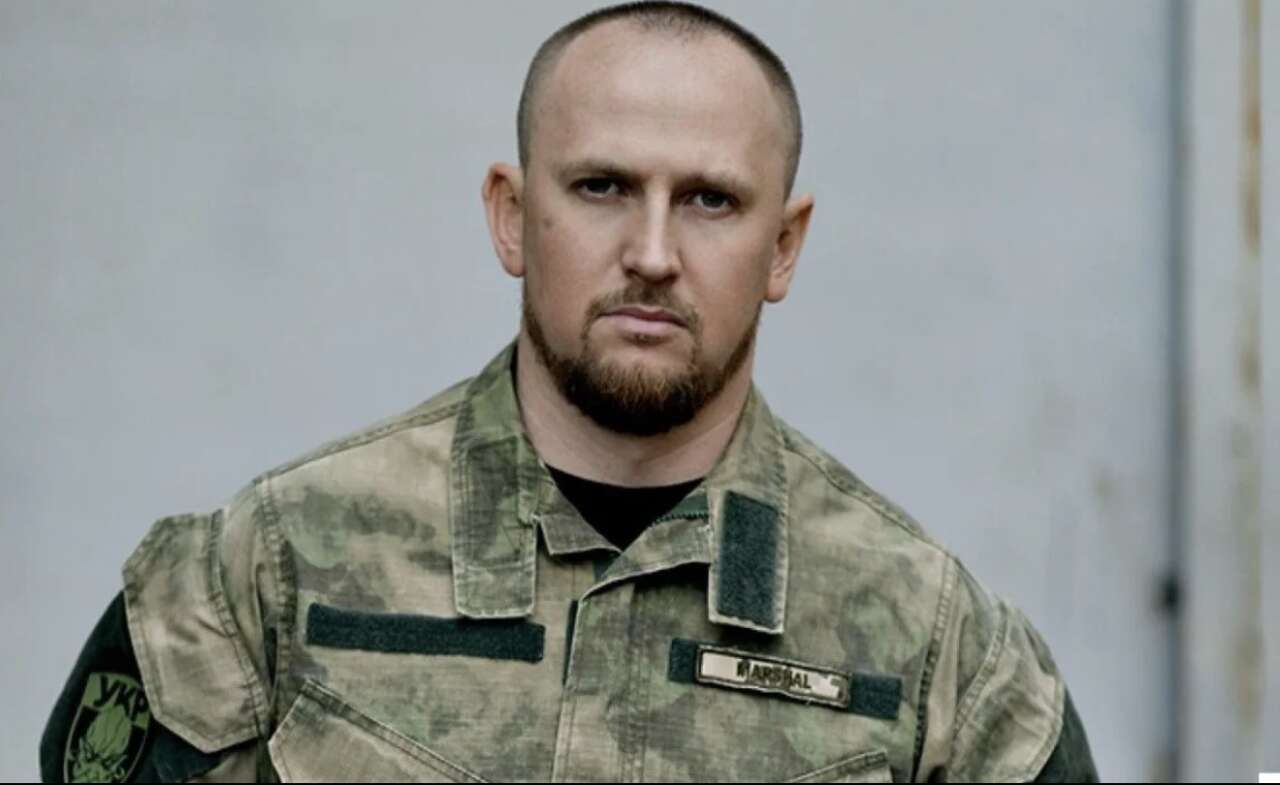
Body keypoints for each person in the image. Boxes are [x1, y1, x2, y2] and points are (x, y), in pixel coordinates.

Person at [41, 2, 1098, 781]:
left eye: (709, 200)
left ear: (783, 245)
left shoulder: (934, 647)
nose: (652, 252)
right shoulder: (270, 568)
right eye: (601, 186)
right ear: (511, 215)